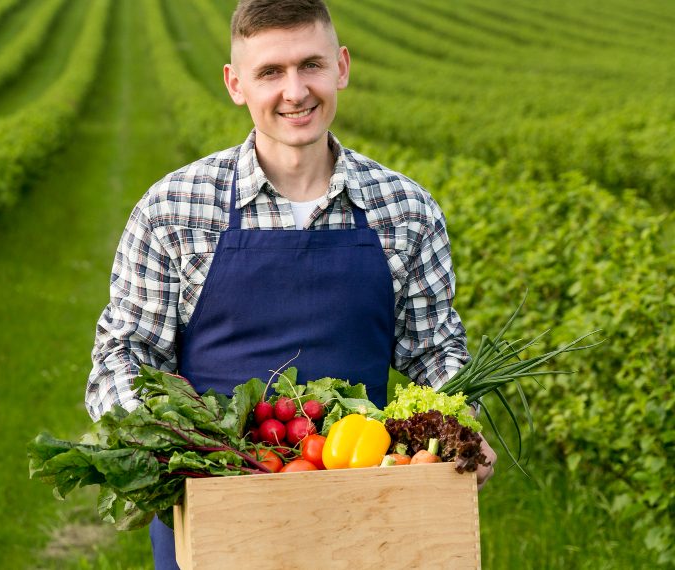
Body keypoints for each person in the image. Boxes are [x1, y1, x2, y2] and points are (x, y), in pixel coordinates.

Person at [86, 0, 496, 567]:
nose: (296, 91)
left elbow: (434, 350)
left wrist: (459, 427)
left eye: (311, 65)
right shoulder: (174, 209)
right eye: (270, 72)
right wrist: (168, 446)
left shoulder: (404, 208)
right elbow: (124, 354)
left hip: (367, 509)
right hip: (215, 509)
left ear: (342, 68)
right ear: (236, 84)